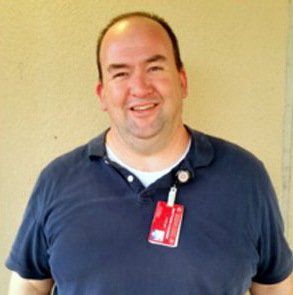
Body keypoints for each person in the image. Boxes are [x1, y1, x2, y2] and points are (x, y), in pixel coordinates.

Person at [6, 11, 293, 295]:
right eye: (120, 73)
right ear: (102, 94)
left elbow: (273, 288)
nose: (140, 87)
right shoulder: (58, 180)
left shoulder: (244, 177)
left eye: (154, 68)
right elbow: (30, 284)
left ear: (182, 81)